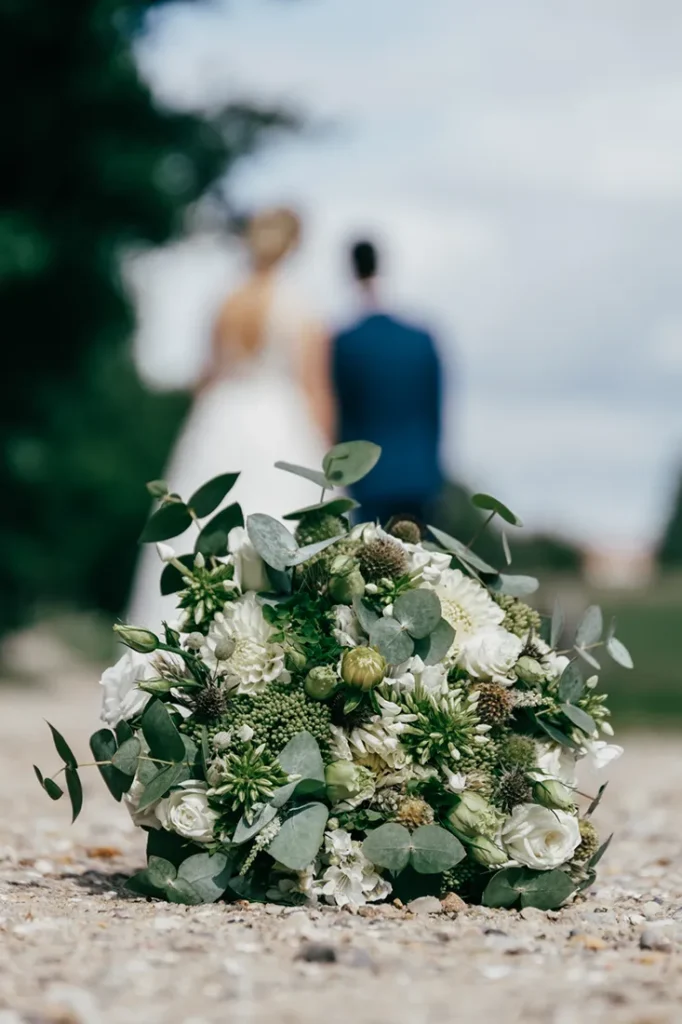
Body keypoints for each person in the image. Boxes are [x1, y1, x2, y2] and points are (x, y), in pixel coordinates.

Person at [127, 207, 334, 630]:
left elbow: (205, 376)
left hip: (222, 418)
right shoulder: (300, 306)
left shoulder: (226, 301)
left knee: (197, 529)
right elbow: (316, 388)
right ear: (292, 246)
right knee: (287, 522)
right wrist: (328, 456)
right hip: (280, 421)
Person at [331, 239, 443, 525]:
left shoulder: (344, 343)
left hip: (366, 476)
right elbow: (435, 411)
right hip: (419, 473)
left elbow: (337, 412)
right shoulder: (422, 340)